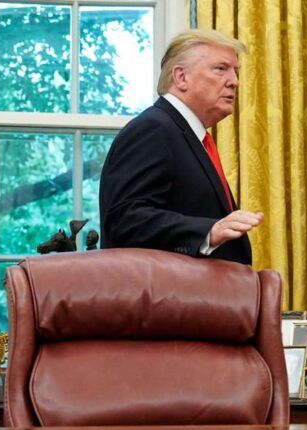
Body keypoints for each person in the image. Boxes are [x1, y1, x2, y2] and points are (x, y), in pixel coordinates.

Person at [99, 29, 264, 265]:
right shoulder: (153, 129)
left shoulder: (187, 134)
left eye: (236, 72)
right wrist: (209, 231)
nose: (234, 81)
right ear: (181, 77)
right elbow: (125, 221)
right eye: (221, 69)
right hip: (167, 298)